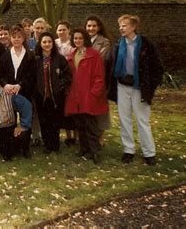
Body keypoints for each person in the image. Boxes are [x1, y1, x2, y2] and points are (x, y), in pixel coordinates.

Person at [108, 14, 163, 166]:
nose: (121, 28)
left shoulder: (146, 44)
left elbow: (157, 67)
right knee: (124, 119)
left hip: (139, 87)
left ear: (133, 27)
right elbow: (111, 65)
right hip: (122, 85)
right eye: (120, 25)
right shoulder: (119, 45)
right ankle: (128, 150)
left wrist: (151, 85)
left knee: (142, 120)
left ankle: (149, 153)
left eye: (124, 25)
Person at [65, 28, 109, 164]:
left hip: (88, 96)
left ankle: (95, 151)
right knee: (80, 124)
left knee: (91, 125)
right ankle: (84, 148)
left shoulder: (93, 55)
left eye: (80, 38)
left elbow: (99, 76)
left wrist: (94, 93)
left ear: (85, 39)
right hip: (76, 96)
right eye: (75, 39)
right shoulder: (72, 54)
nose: (77, 41)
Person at [0, 25, 33, 157]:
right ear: (10, 39)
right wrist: (5, 85)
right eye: (14, 37)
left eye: (19, 37)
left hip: (24, 91)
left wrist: (20, 85)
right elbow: (0, 74)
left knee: (25, 118)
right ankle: (11, 146)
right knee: (10, 120)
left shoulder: (29, 55)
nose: (16, 39)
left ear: (23, 38)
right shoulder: (6, 55)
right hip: (8, 93)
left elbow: (31, 75)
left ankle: (25, 147)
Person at [33, 32, 72, 154]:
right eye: (44, 42)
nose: (47, 44)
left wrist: (60, 87)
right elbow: (31, 76)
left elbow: (67, 75)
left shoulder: (59, 59)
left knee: (55, 121)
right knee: (44, 121)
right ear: (40, 44)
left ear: (53, 44)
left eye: (49, 42)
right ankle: (47, 145)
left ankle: (55, 145)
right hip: (41, 96)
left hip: (56, 97)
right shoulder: (35, 59)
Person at [85, 15, 112, 146]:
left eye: (94, 26)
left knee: (101, 111)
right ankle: (88, 137)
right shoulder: (81, 41)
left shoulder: (104, 42)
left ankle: (100, 138)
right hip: (84, 82)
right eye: (89, 26)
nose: (91, 28)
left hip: (98, 80)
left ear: (99, 27)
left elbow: (99, 59)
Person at [55, 20, 76, 146]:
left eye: (64, 29)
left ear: (69, 30)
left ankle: (75, 135)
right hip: (57, 78)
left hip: (71, 76)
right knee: (63, 108)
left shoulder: (73, 43)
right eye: (59, 30)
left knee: (73, 108)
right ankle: (68, 136)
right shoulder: (55, 43)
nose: (61, 32)